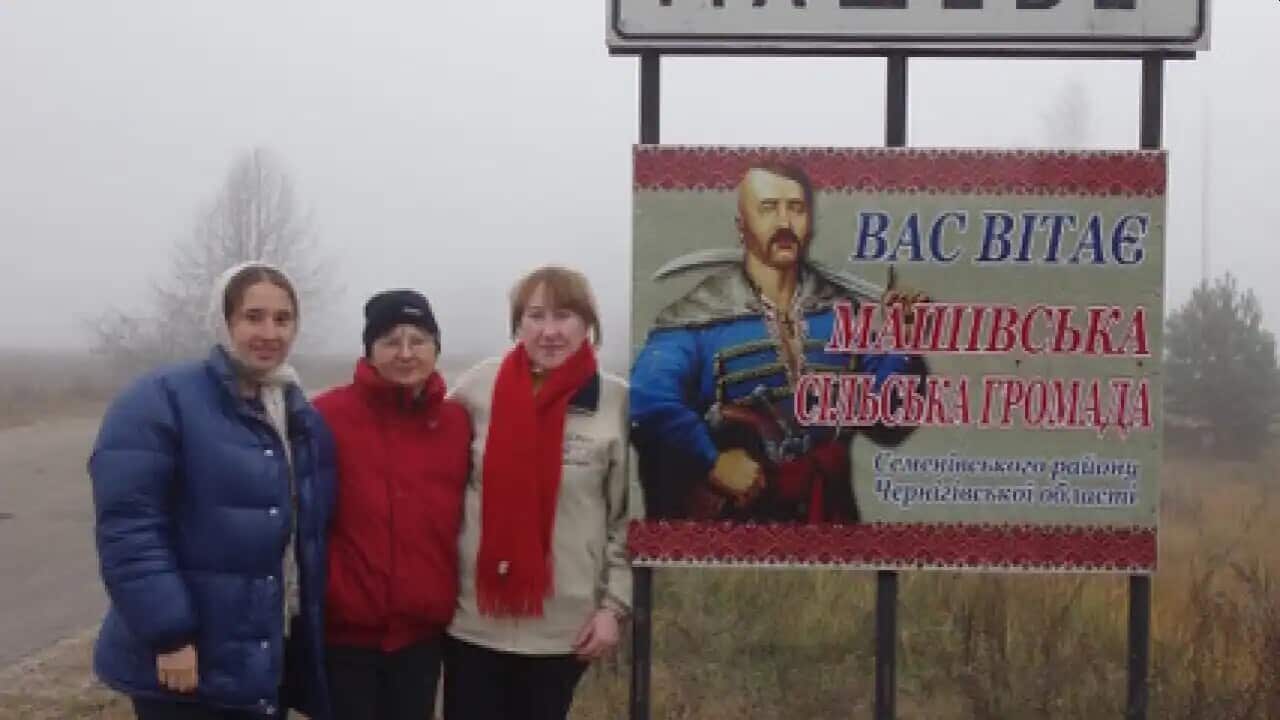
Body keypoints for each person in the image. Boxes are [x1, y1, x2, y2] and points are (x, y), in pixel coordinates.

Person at [89, 261, 336, 719]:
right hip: (186, 665)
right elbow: (131, 530)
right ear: (223, 321)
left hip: (261, 661)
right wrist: (169, 635)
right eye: (253, 316)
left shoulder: (296, 412)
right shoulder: (160, 400)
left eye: (282, 319)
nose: (269, 332)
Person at [630, 162, 927, 523]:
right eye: (768, 208)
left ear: (810, 223)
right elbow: (648, 397)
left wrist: (900, 338)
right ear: (742, 226)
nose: (784, 223)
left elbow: (890, 420)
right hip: (733, 526)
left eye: (796, 209)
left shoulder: (841, 314)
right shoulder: (697, 318)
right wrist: (712, 460)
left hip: (826, 519)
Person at [442, 265, 631, 720]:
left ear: (588, 324)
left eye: (564, 316)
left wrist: (614, 609)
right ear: (517, 325)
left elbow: (629, 518)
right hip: (473, 622)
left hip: (562, 629)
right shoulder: (478, 388)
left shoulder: (616, 401)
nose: (549, 331)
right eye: (535, 316)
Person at [312, 290, 470, 720]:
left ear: (436, 347)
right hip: (345, 636)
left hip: (421, 638)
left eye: (418, 340)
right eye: (390, 341)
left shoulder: (456, 423)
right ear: (369, 350)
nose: (405, 353)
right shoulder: (325, 416)